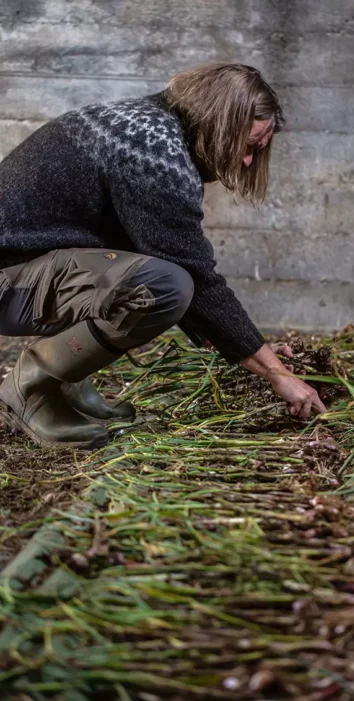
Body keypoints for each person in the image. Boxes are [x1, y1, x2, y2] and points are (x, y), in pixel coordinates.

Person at [0, 63, 326, 449]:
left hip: (24, 265)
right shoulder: (155, 154)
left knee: (139, 265)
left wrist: (254, 347)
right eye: (249, 147)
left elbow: (159, 246)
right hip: (8, 280)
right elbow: (196, 278)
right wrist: (275, 373)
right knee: (164, 285)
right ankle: (32, 388)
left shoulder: (148, 121)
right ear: (222, 123)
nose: (248, 162)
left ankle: (68, 381)